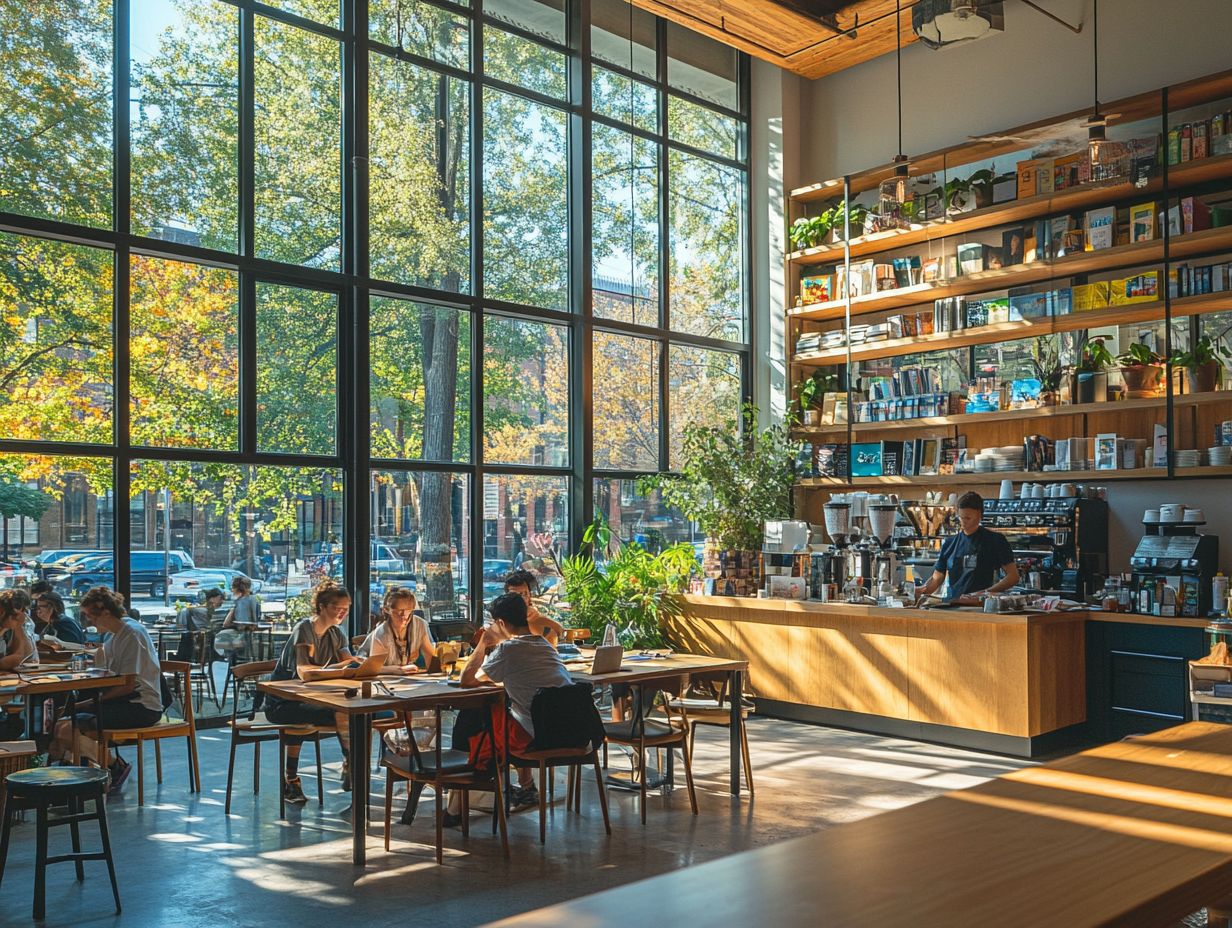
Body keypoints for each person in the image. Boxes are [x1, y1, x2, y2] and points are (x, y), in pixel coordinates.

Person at [451, 592, 573, 824]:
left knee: (475, 717)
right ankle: (470, 799)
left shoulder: (508, 650)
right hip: (570, 733)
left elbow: (466, 680)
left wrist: (484, 644)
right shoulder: (546, 646)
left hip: (535, 737)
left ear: (500, 623)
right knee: (491, 716)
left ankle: (456, 801)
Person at [48, 587, 164, 792]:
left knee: (67, 729)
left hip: (141, 706)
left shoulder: (131, 635)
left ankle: (112, 766)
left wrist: (91, 702)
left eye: (90, 616)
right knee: (60, 725)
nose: (89, 622)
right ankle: (81, 777)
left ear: (106, 613)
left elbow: (127, 686)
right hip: (126, 701)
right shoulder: (116, 635)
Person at [262, 580, 355, 805]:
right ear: (322, 606)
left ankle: (350, 765)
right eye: (337, 607)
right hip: (281, 703)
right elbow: (303, 671)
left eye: (347, 607)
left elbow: (349, 663)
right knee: (339, 712)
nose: (342, 612)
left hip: (311, 698)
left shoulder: (337, 633)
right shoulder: (305, 629)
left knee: (352, 711)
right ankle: (349, 764)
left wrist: (368, 665)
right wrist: (337, 668)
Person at [915, 492, 1020, 606]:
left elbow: (1013, 576)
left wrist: (985, 593)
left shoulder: (995, 540)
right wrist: (920, 591)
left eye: (968, 518)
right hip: (954, 606)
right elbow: (937, 579)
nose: (964, 522)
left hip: (984, 607)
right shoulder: (949, 543)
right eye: (961, 517)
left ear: (980, 515)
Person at [359, 586, 435, 671]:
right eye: (398, 613)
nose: (404, 617)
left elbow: (431, 658)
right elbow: (373, 668)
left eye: (408, 612)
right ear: (387, 610)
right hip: (382, 677)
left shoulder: (420, 625)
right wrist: (399, 670)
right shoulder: (381, 633)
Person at [503, 569, 564, 646]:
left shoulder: (539, 620)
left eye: (524, 594)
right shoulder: (500, 620)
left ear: (530, 595)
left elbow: (559, 631)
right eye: (514, 595)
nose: (520, 599)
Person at [213, 576, 260, 659]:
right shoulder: (251, 599)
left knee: (217, 638)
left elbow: (237, 624)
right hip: (247, 633)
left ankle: (229, 659)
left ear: (239, 589)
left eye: (233, 587)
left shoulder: (243, 601)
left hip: (242, 634)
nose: (232, 590)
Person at [172, 588, 224, 663]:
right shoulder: (203, 611)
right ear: (212, 599)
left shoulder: (199, 610)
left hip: (194, 635)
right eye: (220, 598)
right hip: (202, 635)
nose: (222, 601)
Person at [0, 589, 37, 671]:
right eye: (14, 614)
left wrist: (19, 627)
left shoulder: (19, 623)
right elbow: (18, 658)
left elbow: (29, 658)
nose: (17, 618)